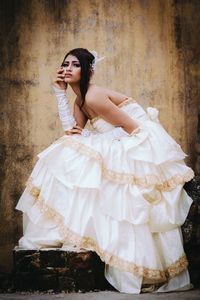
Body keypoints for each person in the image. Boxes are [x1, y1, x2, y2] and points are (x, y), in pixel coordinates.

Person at [16, 48, 194, 294]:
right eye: (65, 63)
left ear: (87, 70)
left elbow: (134, 129)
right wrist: (59, 93)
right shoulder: (80, 99)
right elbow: (73, 131)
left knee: (95, 169)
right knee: (66, 148)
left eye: (75, 64)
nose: (67, 68)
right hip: (118, 139)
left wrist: (97, 145)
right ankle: (64, 224)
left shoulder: (93, 97)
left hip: (139, 142)